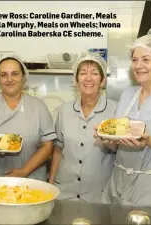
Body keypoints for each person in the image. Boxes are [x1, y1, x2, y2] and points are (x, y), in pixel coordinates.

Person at [95, 34, 151, 225]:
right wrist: (108, 139)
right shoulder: (127, 95)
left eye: (146, 59)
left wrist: (150, 141)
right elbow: (117, 147)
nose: (138, 65)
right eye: (135, 60)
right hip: (118, 189)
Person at [0, 55, 57, 180]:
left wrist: (24, 171)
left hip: (30, 179)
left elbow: (47, 145)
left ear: (23, 77)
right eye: (3, 75)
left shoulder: (38, 106)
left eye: (15, 74)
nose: (9, 79)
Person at [48, 52, 117, 203]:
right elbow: (58, 150)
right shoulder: (64, 110)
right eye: (83, 73)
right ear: (75, 80)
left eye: (95, 73)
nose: (88, 78)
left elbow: (121, 153)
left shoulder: (115, 111)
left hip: (99, 195)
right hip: (65, 192)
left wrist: (110, 142)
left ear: (103, 80)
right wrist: (51, 183)